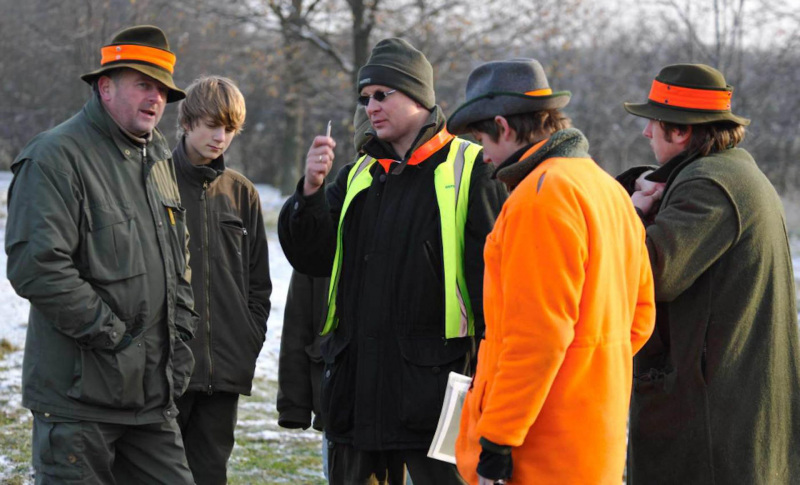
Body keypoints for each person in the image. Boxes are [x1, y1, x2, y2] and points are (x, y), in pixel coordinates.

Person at [278, 38, 507, 484]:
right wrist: (308, 192)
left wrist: (491, 381)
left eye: (383, 94)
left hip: (437, 397)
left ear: (419, 97)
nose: (370, 106)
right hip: (357, 395)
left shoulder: (474, 167)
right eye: (365, 98)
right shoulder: (357, 173)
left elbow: (494, 288)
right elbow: (310, 256)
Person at [445, 58, 656, 484]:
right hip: (594, 442)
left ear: (504, 126)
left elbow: (536, 337)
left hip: (538, 448)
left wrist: (499, 438)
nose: (483, 156)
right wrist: (587, 374)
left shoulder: (539, 197)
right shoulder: (607, 189)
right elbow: (641, 317)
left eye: (482, 140)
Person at [5, 25, 198, 484]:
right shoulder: (54, 156)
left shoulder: (158, 160)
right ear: (105, 87)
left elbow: (179, 259)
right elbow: (38, 267)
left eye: (162, 90)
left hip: (152, 399)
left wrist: (182, 337)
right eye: (143, 85)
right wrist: (116, 340)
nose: (155, 99)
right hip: (78, 404)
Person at [621, 63, 800, 484]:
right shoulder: (729, 172)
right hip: (726, 405)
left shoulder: (709, 184)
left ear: (680, 132)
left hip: (711, 420)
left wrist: (631, 213)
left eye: (652, 123)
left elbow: (647, 275)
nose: (646, 133)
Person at [172, 75, 272, 485]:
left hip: (225, 369)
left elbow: (258, 284)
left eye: (229, 128)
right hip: (167, 369)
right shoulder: (153, 181)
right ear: (188, 121)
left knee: (211, 474)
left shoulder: (242, 193)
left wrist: (248, 338)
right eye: (212, 124)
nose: (220, 137)